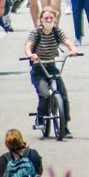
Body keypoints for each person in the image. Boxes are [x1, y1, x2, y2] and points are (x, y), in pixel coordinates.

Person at [25, 8, 80, 138]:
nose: (49, 20)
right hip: (38, 68)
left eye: (51, 18)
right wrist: (30, 55)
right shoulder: (36, 33)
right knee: (44, 95)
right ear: (41, 20)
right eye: (46, 18)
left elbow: (67, 42)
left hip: (51, 66)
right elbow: (28, 46)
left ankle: (64, 127)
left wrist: (73, 50)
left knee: (63, 95)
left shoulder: (57, 32)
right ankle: (40, 118)